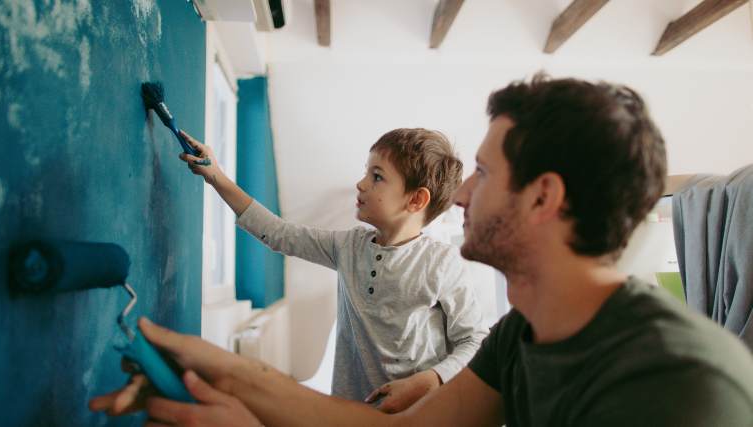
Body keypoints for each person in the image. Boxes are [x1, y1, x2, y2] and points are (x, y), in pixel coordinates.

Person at [91, 74, 753, 426]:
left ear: (543, 197)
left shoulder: (682, 385)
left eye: (485, 172)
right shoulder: (525, 335)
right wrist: (227, 377)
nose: (461, 193)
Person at [111, 127, 486, 413]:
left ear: (416, 199)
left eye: (377, 176)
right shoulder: (349, 247)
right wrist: (217, 177)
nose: (360, 183)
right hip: (349, 411)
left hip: (423, 412)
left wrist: (431, 379)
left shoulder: (443, 264)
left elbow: (474, 340)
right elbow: (279, 234)